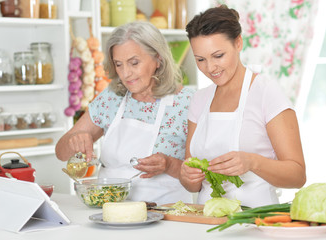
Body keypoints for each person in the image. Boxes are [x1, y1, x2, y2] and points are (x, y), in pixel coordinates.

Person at [179, 5, 306, 207]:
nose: (210, 68)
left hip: (256, 220)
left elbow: (298, 176)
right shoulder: (199, 100)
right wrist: (187, 176)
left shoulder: (267, 93)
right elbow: (192, 185)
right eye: (200, 60)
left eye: (218, 56)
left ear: (238, 43)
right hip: (207, 220)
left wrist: (252, 162)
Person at [56, 21, 194, 205]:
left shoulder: (187, 103)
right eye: (118, 64)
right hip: (110, 211)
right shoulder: (112, 97)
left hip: (167, 216)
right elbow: (61, 152)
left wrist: (169, 165)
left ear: (158, 58)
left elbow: (201, 177)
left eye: (134, 63)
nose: (126, 73)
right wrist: (74, 141)